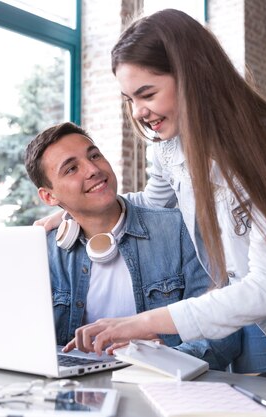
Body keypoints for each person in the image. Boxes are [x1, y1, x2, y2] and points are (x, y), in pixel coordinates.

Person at [43, 9, 266, 373]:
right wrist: (79, 208)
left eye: (147, 94)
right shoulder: (166, 149)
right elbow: (153, 203)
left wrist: (140, 323)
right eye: (130, 99)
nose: (139, 112)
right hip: (249, 289)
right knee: (263, 394)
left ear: (192, 75)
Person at [24, 121, 240, 371]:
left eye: (94, 155)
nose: (93, 169)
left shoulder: (180, 230)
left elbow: (222, 337)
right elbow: (25, 339)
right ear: (49, 196)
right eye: (71, 168)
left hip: (163, 385)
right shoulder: (44, 253)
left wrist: (160, 357)